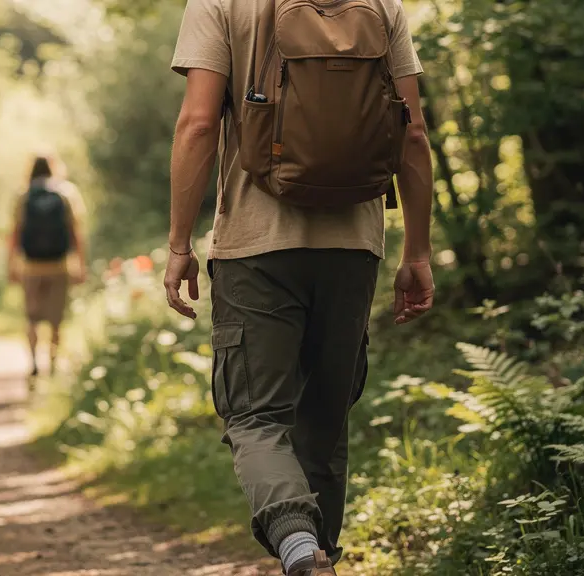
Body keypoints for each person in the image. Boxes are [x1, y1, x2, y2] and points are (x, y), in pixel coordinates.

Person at [164, 1, 435, 575]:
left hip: (255, 245)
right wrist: (417, 251)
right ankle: (322, 558)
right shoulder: (382, 4)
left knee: (256, 418)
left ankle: (297, 548)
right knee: (324, 420)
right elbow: (413, 133)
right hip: (353, 247)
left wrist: (180, 245)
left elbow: (198, 123)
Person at [8, 156, 87, 377]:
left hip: (30, 266)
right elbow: (75, 232)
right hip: (59, 265)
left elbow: (14, 234)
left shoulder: (22, 196)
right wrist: (80, 264)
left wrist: (11, 265)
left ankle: (33, 362)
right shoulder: (66, 193)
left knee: (32, 318)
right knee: (56, 320)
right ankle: (52, 364)